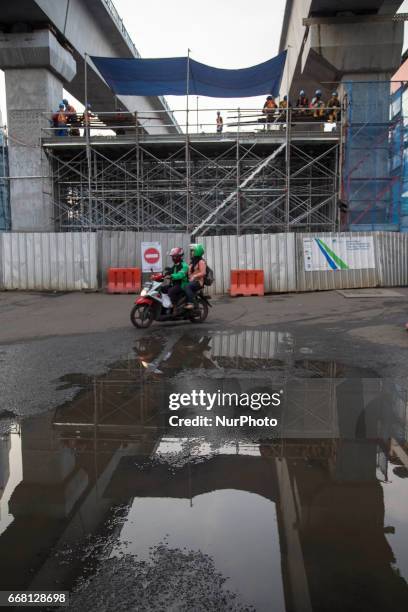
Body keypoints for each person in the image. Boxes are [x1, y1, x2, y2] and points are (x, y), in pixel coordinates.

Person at [185, 244, 207, 310]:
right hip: (191, 281)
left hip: (198, 282)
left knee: (187, 286)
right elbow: (188, 271)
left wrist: (194, 276)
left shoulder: (201, 262)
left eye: (193, 251)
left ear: (197, 251)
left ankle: (191, 303)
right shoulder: (192, 261)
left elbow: (203, 273)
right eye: (191, 251)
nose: (191, 253)